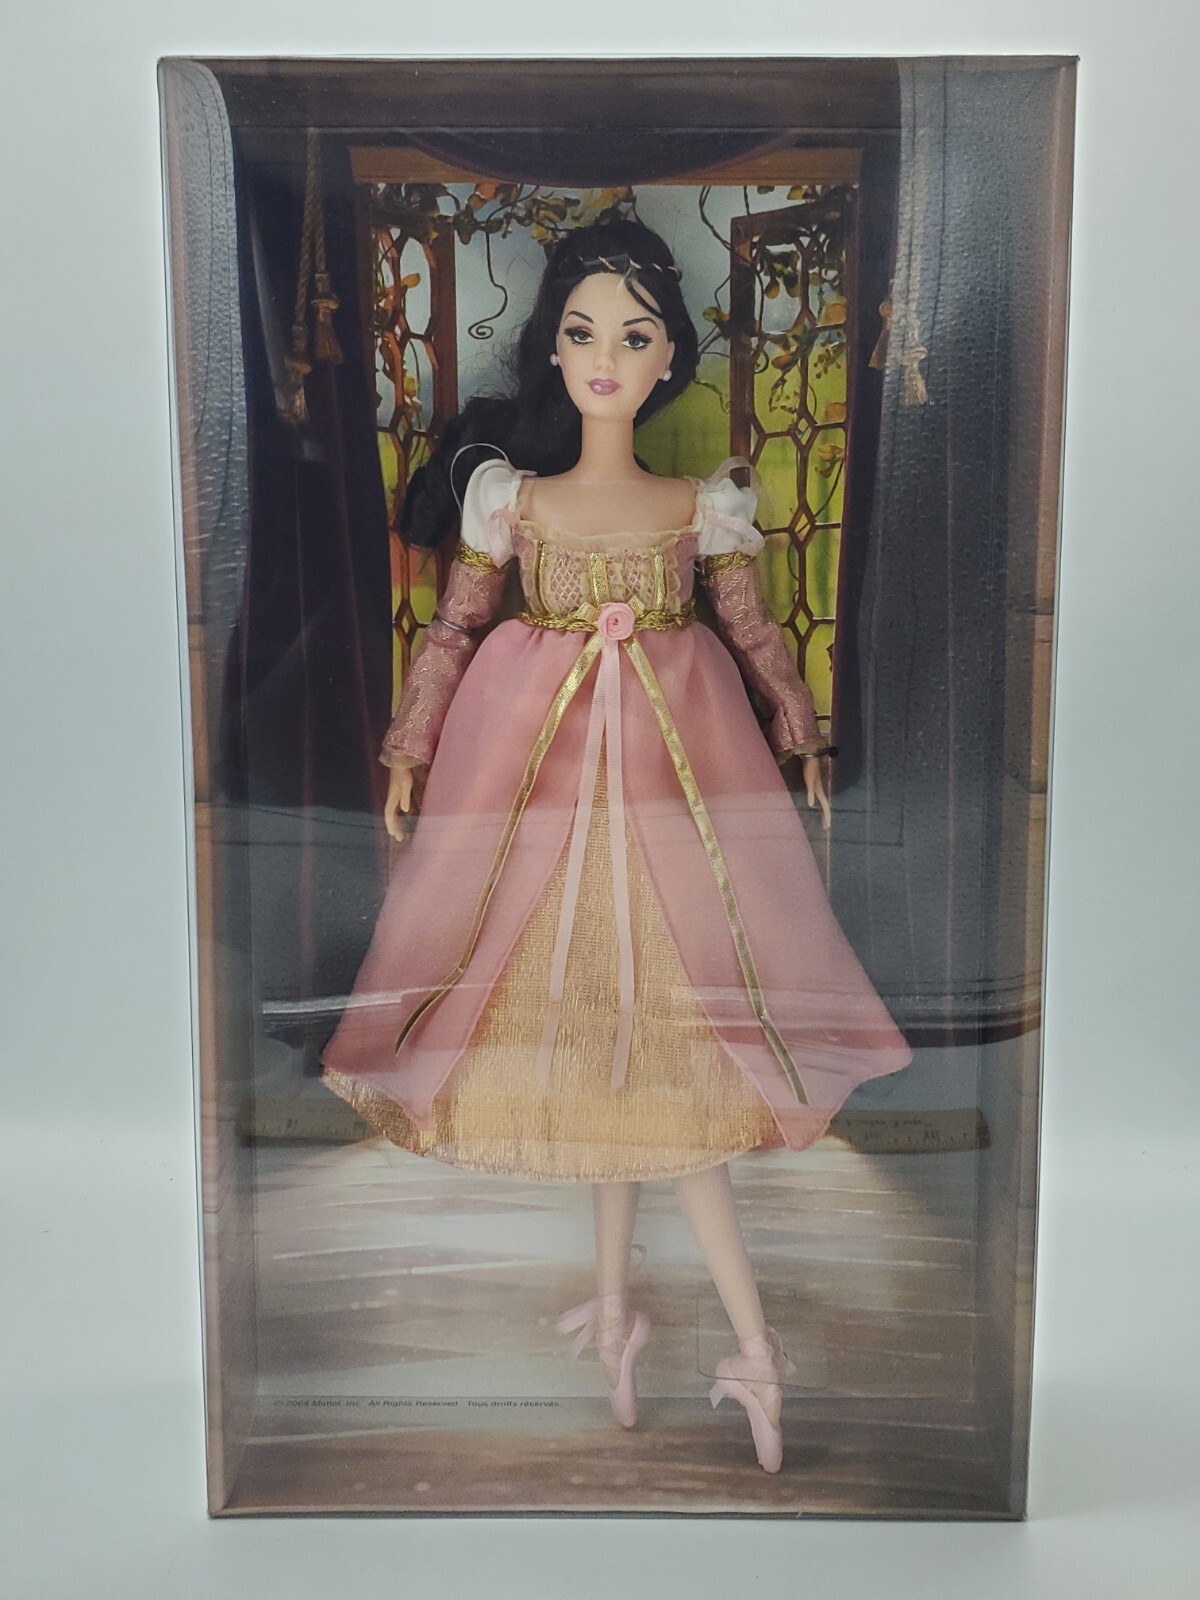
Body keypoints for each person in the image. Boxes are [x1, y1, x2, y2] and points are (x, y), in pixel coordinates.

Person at [320, 218, 912, 1473]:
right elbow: (454, 631)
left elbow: (753, 635)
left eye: (634, 337)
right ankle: (617, 1310)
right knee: (597, 1052)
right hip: (532, 790)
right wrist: (410, 748)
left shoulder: (701, 507)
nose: (605, 357)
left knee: (677, 1055)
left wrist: (800, 734)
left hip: (672, 793)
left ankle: (749, 1344)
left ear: (667, 361)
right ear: (552, 347)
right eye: (583, 332)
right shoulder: (513, 500)